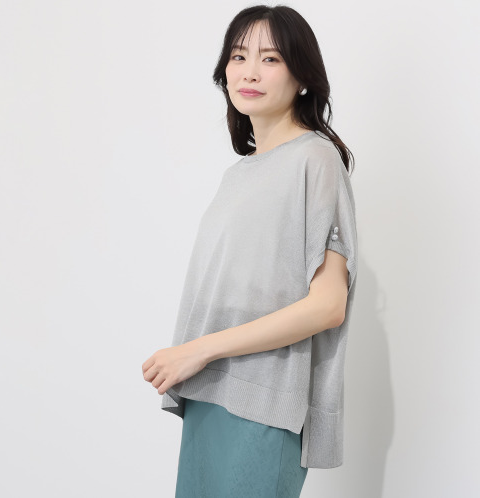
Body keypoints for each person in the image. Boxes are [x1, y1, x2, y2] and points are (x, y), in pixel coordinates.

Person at [142, 4, 359, 497]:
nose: (250, 72)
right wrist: (196, 358)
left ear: (302, 77)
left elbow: (328, 305)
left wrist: (197, 349)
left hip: (264, 400)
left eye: (271, 58)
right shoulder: (237, 175)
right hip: (210, 391)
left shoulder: (316, 159)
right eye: (239, 57)